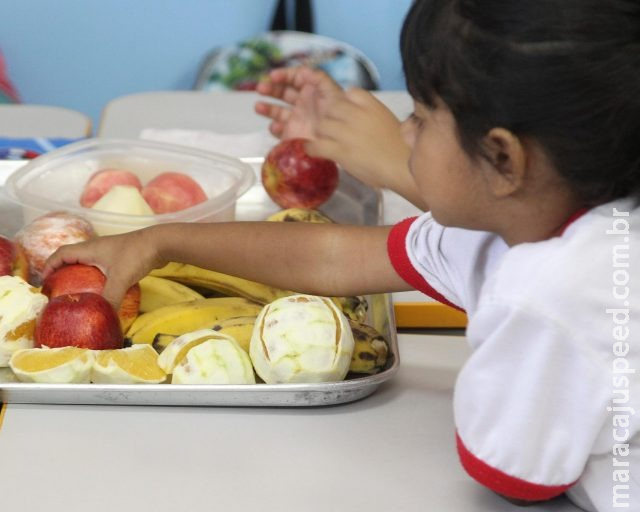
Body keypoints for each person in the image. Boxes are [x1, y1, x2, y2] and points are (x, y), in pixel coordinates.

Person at [44, 0, 639, 509]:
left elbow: (510, 475)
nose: (402, 135)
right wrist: (159, 240)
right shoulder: (543, 220)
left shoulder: (547, 293)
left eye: (420, 118)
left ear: (505, 159)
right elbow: (332, 255)